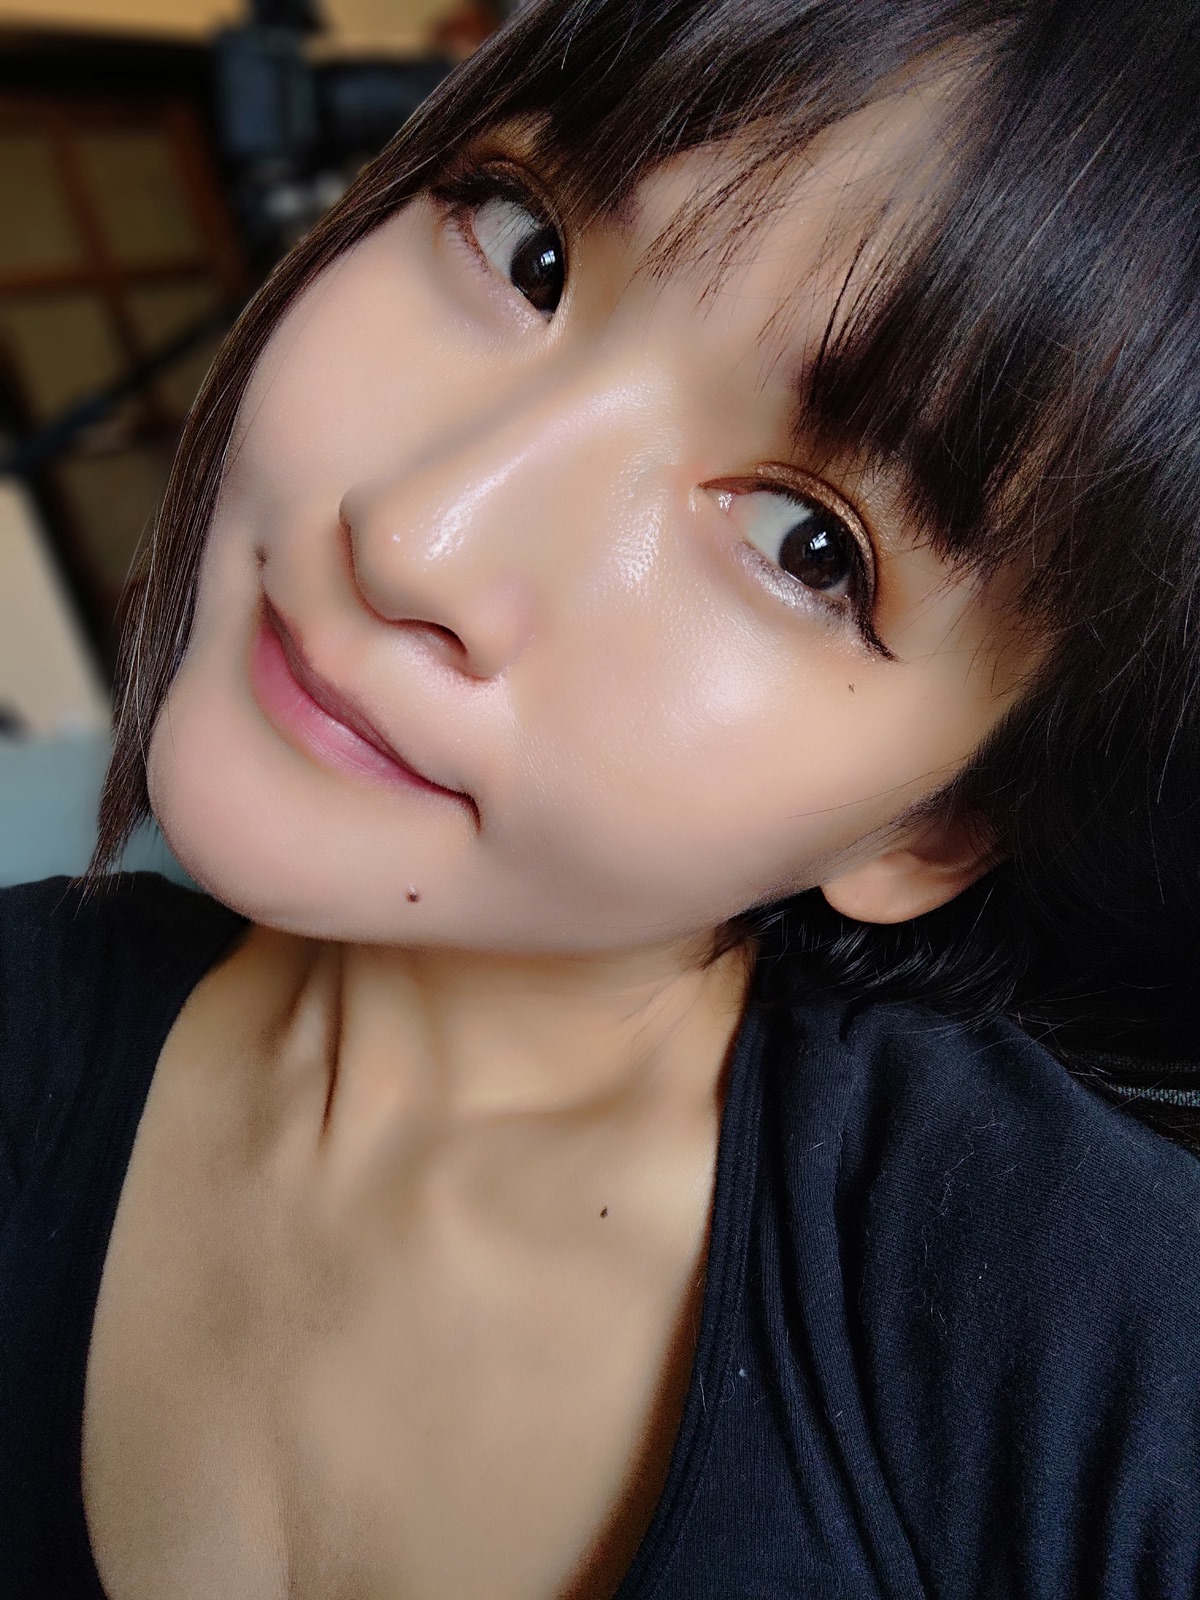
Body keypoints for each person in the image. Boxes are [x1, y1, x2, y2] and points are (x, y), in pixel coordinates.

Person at [3, 0, 1199, 1594]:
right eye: (528, 249)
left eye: (806, 547)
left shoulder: (1098, 1343)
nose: (416, 534)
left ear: (935, 828)